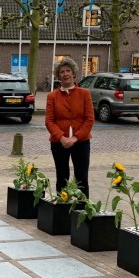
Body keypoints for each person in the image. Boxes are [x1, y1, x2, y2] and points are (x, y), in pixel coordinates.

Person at [44, 57, 95, 197]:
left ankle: (82, 210)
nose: (65, 74)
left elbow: (89, 120)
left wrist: (75, 138)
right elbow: (49, 121)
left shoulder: (84, 94)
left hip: (81, 142)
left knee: (82, 178)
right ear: (58, 76)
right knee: (62, 178)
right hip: (59, 143)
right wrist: (62, 138)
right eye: (62, 72)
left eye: (68, 71)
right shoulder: (52, 96)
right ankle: (62, 212)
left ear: (74, 74)